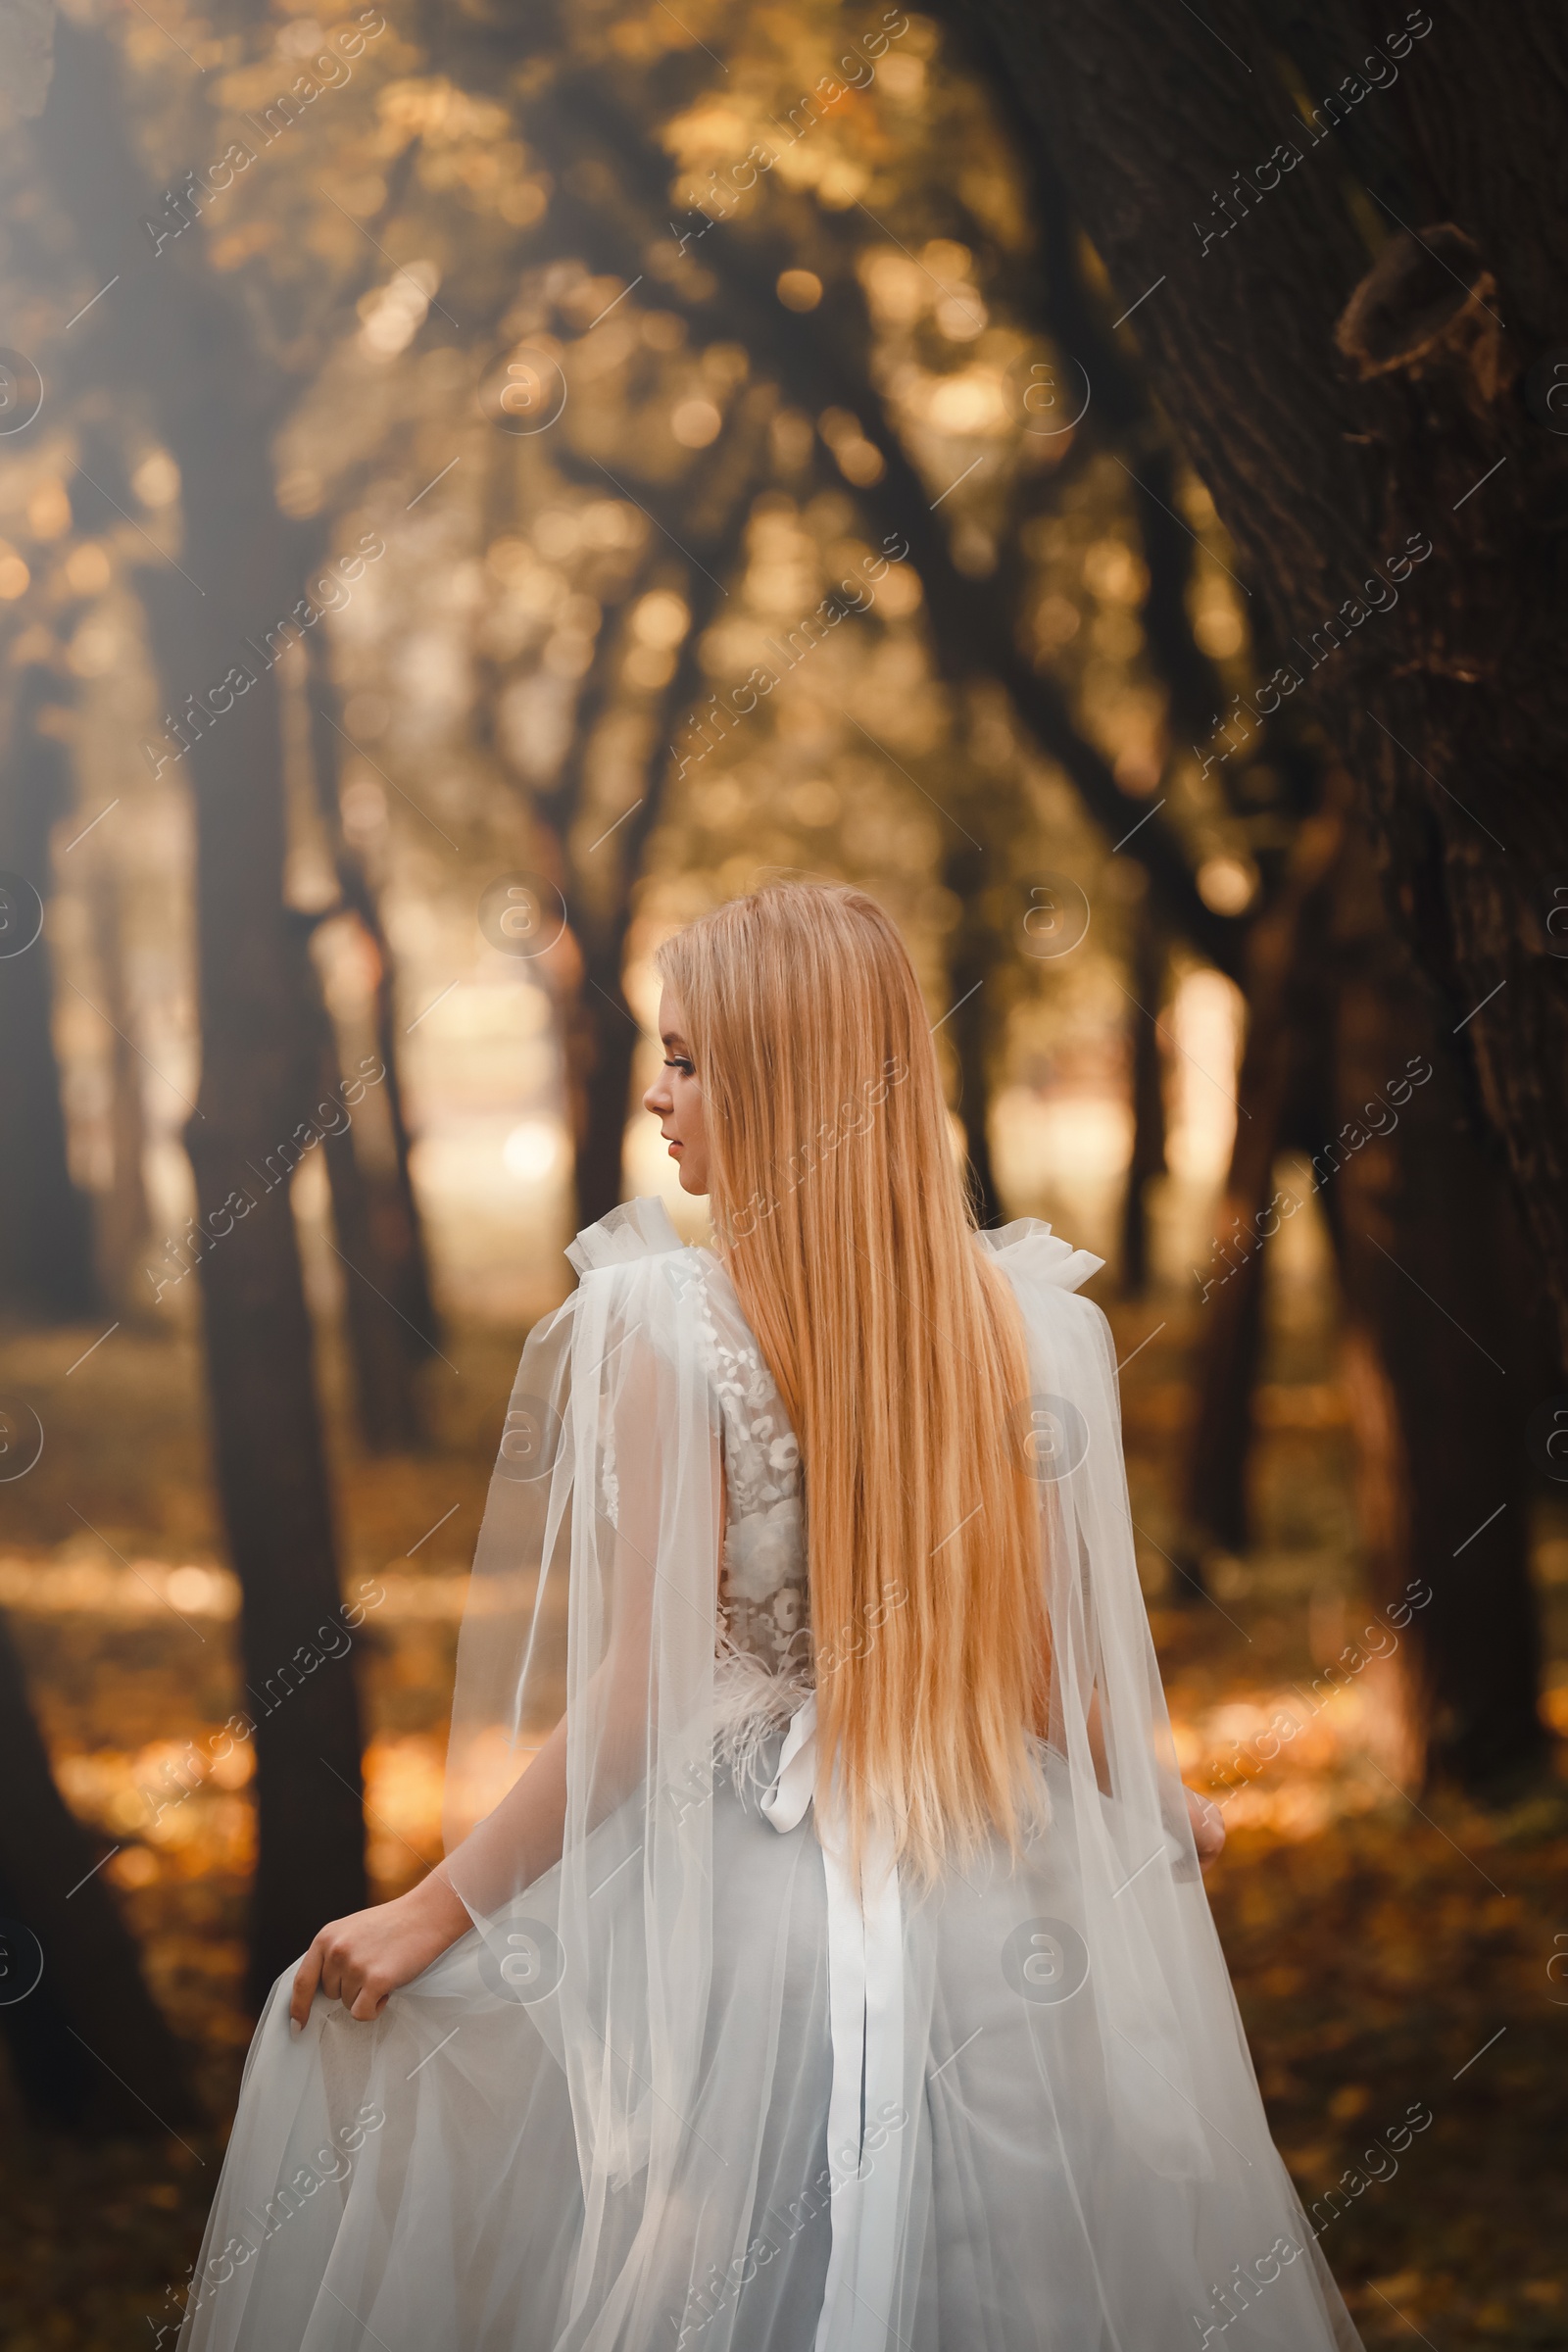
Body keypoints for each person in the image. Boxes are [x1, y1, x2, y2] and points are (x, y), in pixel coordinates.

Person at [177, 882, 1363, 2350]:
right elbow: (1042, 1663)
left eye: (689, 1061)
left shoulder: (669, 1330)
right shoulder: (1028, 1325)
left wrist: (433, 1909)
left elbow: (644, 1689)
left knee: (725, 2266)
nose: (659, 1099)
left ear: (789, 1081)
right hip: (996, 1899)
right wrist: (1154, 1793)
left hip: (756, 1910)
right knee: (996, 2277)